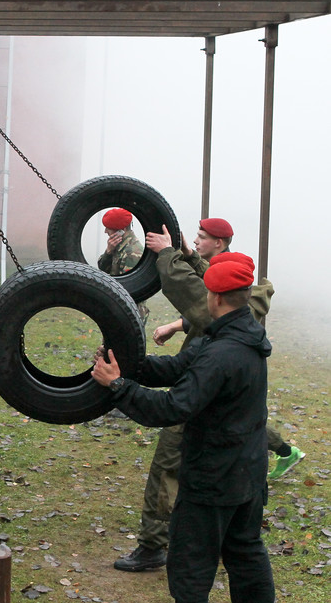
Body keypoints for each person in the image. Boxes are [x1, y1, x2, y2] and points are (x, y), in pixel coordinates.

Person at [113, 218, 300, 572]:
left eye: (203, 237)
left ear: (221, 242)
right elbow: (206, 289)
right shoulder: (239, 300)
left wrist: (168, 255)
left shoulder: (223, 335)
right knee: (244, 543)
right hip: (233, 443)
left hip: (210, 424)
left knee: (169, 469)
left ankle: (154, 544)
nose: (196, 241)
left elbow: (197, 299)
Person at [92, 258, 275, 603]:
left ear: (216, 297)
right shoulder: (238, 334)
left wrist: (119, 387)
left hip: (213, 480)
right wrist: (131, 366)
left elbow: (173, 407)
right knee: (246, 553)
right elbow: (179, 367)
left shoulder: (222, 352)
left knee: (190, 567)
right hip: (247, 473)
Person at [97, 207, 149, 323]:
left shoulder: (132, 252)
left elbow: (129, 288)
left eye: (109, 228)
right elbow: (102, 269)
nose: (106, 231)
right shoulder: (118, 246)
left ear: (121, 230)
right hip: (118, 307)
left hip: (129, 313)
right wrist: (108, 252)